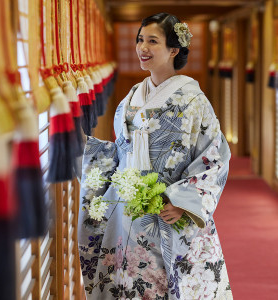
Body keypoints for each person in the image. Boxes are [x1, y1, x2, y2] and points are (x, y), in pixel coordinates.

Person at [78, 13, 233, 300]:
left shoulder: (192, 100)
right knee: (126, 283)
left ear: (173, 50)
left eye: (152, 41)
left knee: (166, 283)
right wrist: (84, 147)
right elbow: (120, 152)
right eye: (139, 40)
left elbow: (215, 156)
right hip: (127, 212)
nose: (142, 48)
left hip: (167, 209)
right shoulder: (133, 96)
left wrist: (184, 203)